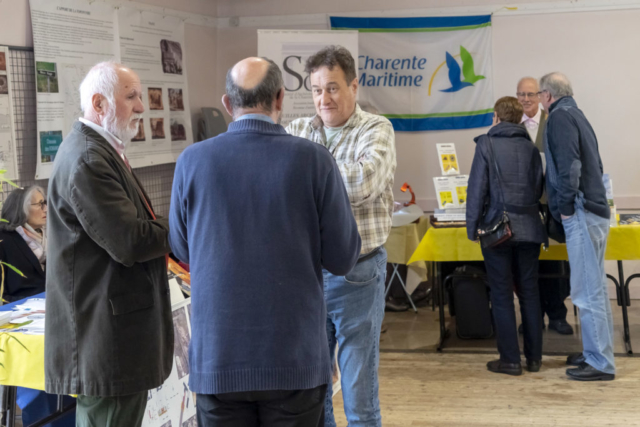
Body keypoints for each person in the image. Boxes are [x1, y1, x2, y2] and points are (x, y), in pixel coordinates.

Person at [169, 57, 360, 427]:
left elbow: (182, 250)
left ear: (227, 104)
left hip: (218, 361)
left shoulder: (191, 161)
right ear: (280, 99)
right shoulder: (315, 161)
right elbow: (343, 257)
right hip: (294, 360)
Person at [45, 61, 173, 426]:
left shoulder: (100, 149)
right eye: (131, 97)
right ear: (99, 104)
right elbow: (130, 240)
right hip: (107, 342)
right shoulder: (88, 158)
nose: (141, 107)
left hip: (114, 339)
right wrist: (183, 223)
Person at [287, 46, 396, 427]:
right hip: (307, 278)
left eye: (332, 88)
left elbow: (363, 182)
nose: (323, 99)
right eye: (316, 90)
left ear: (353, 85)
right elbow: (277, 182)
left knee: (358, 395)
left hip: (357, 274)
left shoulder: (376, 128)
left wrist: (305, 178)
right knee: (313, 393)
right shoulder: (298, 130)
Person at [539, 72, 615, 381]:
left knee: (586, 292)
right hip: (595, 209)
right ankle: (598, 352)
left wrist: (566, 207)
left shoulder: (558, 118)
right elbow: (596, 163)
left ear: (547, 95)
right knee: (594, 288)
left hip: (581, 211)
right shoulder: (578, 114)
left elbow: (570, 164)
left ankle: (599, 362)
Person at [466, 96, 546, 376]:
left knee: (501, 295)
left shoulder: (486, 144)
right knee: (530, 293)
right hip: (531, 229)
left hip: (497, 230)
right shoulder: (530, 148)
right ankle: (535, 359)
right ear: (519, 119)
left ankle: (510, 360)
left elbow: (476, 190)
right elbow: (538, 188)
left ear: (496, 118)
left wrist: (471, 228)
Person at [516, 77, 573, 336]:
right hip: (523, 207)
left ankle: (558, 315)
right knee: (528, 265)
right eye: (521, 94)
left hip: (551, 205)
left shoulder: (554, 121)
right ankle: (533, 316)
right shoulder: (511, 125)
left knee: (556, 264)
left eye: (530, 94)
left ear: (541, 96)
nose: (526, 99)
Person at [0, 186, 47, 302]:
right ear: (21, 208)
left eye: (45, 203)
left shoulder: (49, 236)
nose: (45, 209)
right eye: (40, 204)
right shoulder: (4, 241)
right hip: (20, 311)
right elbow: (2, 295)